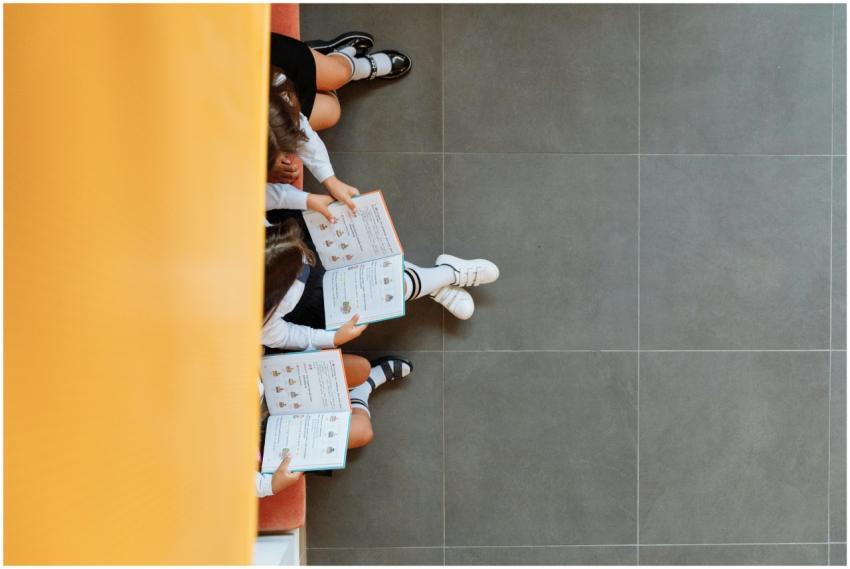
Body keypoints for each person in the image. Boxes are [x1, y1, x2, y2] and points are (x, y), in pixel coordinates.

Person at [262, 217, 499, 353]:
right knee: (383, 291)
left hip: (323, 254)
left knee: (363, 251)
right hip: (315, 302)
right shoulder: (260, 320)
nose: (304, 256)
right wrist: (333, 339)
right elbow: (286, 337)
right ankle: (446, 275)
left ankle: (445, 275)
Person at [267, 32, 411, 208]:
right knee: (331, 111)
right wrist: (269, 165)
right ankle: (324, 59)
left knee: (339, 74)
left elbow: (297, 124)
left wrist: (330, 179)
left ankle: (352, 65)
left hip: (273, 61)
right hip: (273, 101)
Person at [255, 354, 414, 497]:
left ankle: (350, 391)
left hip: (270, 384)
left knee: (360, 368)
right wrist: (270, 486)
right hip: (265, 441)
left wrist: (328, 339)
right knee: (362, 432)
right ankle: (360, 393)